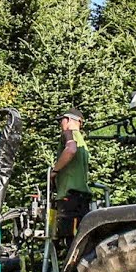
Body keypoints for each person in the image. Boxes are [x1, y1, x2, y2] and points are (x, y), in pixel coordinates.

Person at [51, 107, 91, 253]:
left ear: (67, 120)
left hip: (69, 198)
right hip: (82, 199)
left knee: (68, 244)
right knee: (80, 243)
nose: (60, 124)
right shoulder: (82, 142)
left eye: (61, 121)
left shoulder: (68, 133)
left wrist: (54, 171)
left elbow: (70, 150)